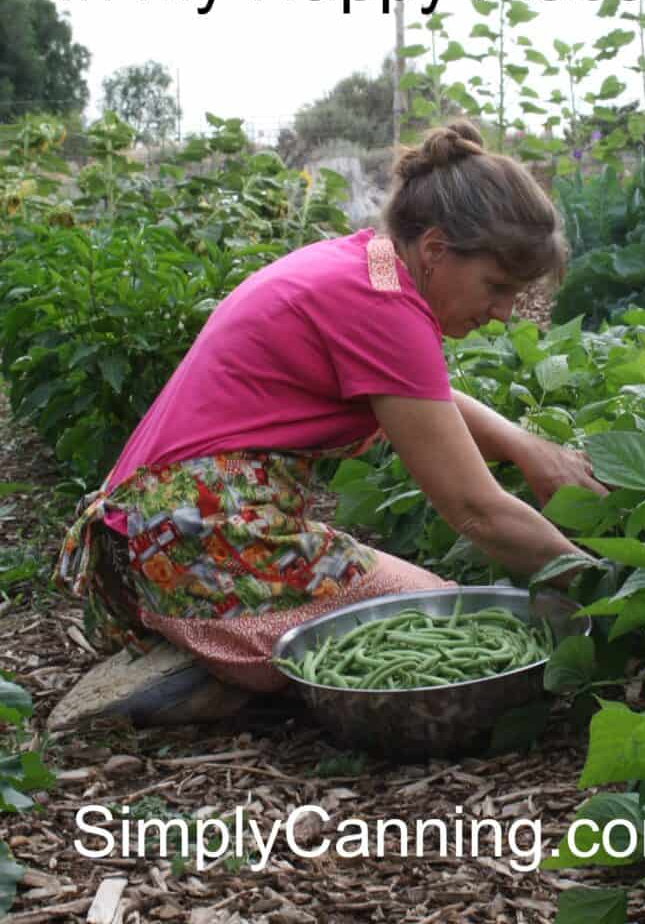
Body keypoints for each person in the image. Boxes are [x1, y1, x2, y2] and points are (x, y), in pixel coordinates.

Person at [53, 119, 606, 717]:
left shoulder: (366, 267)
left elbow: (424, 398)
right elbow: (477, 511)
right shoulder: (384, 307)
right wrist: (605, 591)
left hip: (141, 536)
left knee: (432, 615)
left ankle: (221, 651)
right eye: (495, 287)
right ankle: (226, 676)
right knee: (456, 630)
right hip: (198, 538)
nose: (501, 313)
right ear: (437, 250)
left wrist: (525, 446)